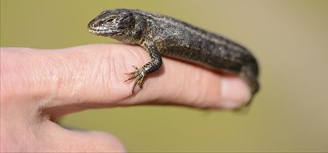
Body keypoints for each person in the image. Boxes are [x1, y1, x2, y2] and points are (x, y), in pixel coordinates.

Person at [1, 44, 251, 152]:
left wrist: (142, 71)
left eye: (113, 23)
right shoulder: (145, 29)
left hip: (236, 58)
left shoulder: (149, 35)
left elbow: (156, 60)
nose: (105, 29)